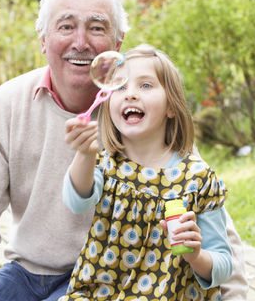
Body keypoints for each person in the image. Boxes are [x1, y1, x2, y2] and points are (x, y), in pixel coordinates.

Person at [0, 0, 248, 301]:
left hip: (105, 280)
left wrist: (233, 294)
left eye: (97, 27)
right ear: (42, 39)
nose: (80, 42)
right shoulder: (10, 102)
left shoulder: (142, 117)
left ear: (118, 43)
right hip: (26, 271)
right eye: (66, 26)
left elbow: (206, 212)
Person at [61, 44, 232, 300]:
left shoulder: (198, 179)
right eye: (120, 86)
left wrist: (195, 256)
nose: (130, 94)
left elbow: (224, 266)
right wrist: (85, 153)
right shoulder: (106, 165)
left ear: (171, 107)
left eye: (145, 86)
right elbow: (76, 201)